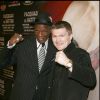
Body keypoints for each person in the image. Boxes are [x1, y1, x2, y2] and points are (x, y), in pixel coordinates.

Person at [0, 12, 56, 100]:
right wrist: (9, 45)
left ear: (50, 30)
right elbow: (2, 63)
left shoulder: (55, 47)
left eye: (44, 31)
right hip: (21, 95)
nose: (40, 34)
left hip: (43, 96)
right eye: (37, 30)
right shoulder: (23, 45)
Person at [46, 21, 96, 100]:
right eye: (54, 36)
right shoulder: (54, 55)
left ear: (70, 36)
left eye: (61, 35)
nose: (57, 40)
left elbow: (91, 80)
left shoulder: (81, 54)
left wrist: (68, 63)